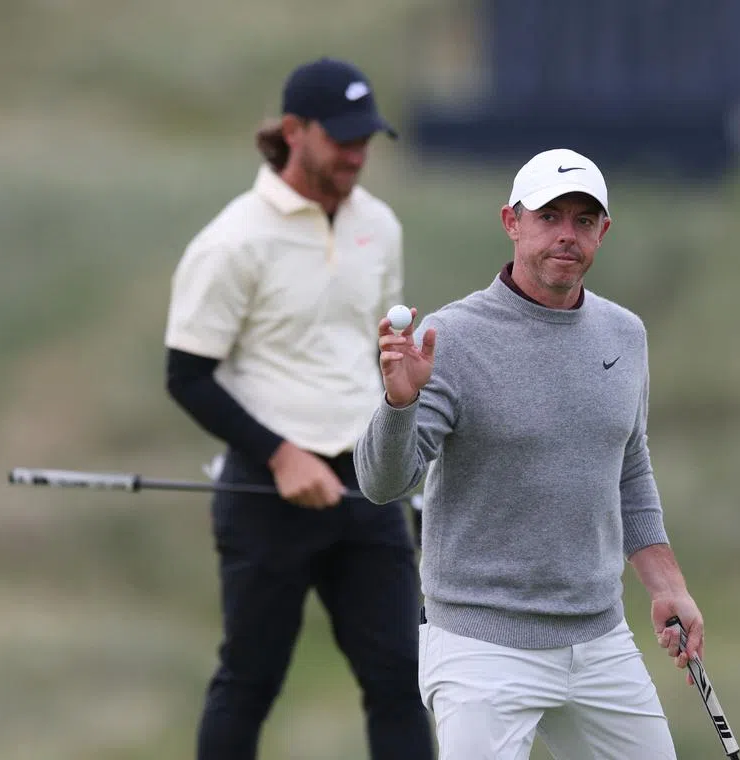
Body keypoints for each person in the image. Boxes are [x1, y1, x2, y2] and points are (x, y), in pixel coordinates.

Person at [354, 147, 706, 759]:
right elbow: (382, 483)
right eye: (549, 217)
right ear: (511, 222)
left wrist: (667, 585)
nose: (567, 235)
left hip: (598, 639)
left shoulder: (624, 334)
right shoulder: (451, 337)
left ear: (603, 232)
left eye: (583, 220)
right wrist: (399, 404)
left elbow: (628, 469)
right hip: (480, 643)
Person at [163, 57, 433, 760]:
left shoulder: (380, 225)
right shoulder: (234, 240)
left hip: (367, 485)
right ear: (293, 131)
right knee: (248, 683)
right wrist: (282, 456)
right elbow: (186, 376)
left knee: (402, 681)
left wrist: (406, 464)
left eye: (365, 139)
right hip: (267, 491)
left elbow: (379, 356)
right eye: (341, 138)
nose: (356, 154)